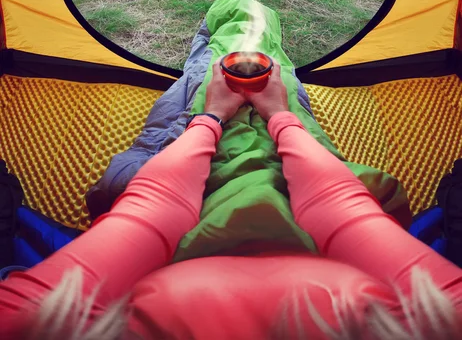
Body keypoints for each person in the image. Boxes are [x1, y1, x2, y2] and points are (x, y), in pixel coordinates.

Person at [0, 60, 461, 340]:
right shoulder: (445, 315)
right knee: (282, 83)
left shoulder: (28, 321)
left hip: (154, 211)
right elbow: (341, 204)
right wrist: (279, 115)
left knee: (200, 79)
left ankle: (208, 47)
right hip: (314, 202)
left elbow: (151, 208)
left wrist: (210, 118)